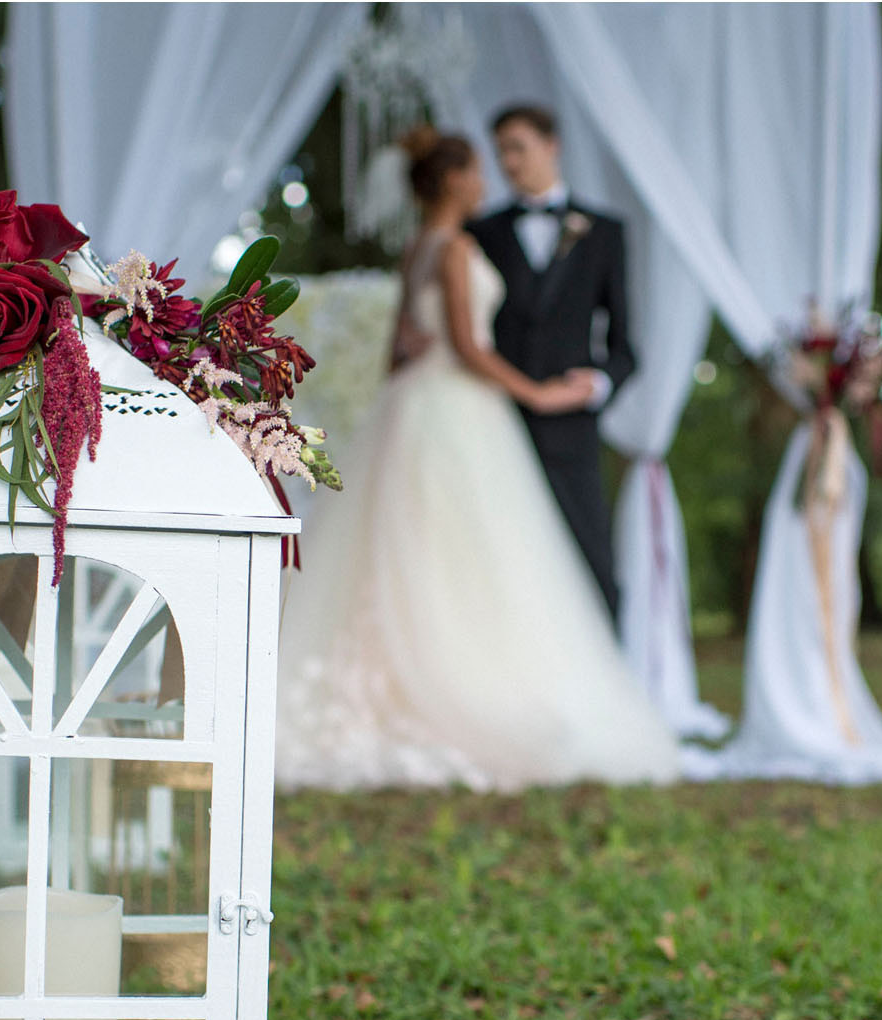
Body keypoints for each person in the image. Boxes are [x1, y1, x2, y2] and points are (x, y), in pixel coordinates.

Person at [274, 127, 679, 793]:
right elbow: (465, 345)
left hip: (415, 405)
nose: (489, 179)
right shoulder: (460, 245)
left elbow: (404, 345)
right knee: (477, 553)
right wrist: (537, 393)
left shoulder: (417, 249)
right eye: (478, 169)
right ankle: (463, 690)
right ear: (454, 180)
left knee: (421, 553)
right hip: (459, 407)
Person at [464, 103, 636, 629]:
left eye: (518, 148)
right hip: (498, 421)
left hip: (571, 429)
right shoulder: (481, 232)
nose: (510, 163)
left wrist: (596, 384)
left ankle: (609, 685)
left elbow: (628, 346)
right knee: (503, 560)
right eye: (501, 154)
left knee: (591, 562)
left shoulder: (604, 232)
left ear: (551, 144)